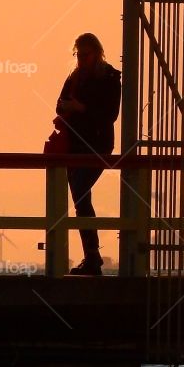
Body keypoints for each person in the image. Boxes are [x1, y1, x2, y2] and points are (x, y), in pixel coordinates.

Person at [55, 33, 121, 275]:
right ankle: (91, 256)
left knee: (81, 192)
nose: (81, 59)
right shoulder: (74, 77)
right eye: (78, 55)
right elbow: (59, 104)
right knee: (80, 196)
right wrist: (67, 107)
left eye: (85, 55)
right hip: (75, 147)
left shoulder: (111, 78)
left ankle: (92, 256)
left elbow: (110, 114)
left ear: (97, 53)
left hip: (98, 146)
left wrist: (80, 107)